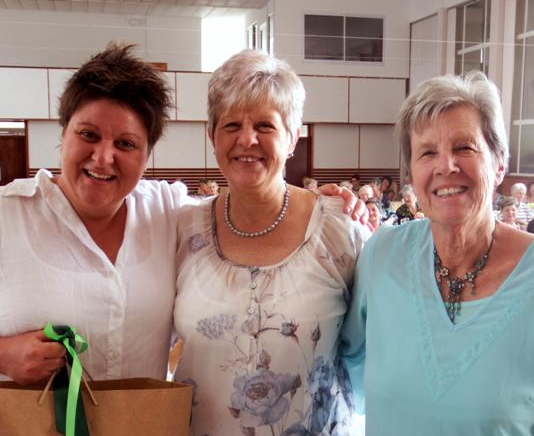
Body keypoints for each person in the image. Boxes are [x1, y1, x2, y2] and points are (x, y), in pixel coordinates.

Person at [0, 43, 363, 387]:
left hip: (147, 431)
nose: (104, 157)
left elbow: (252, 207)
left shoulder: (168, 211)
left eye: (126, 144)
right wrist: (3, 355)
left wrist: (331, 206)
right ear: (63, 133)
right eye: (88, 135)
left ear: (147, 155)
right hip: (31, 432)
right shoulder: (9, 215)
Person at [173, 49, 365, 436]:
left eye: (265, 124)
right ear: (211, 135)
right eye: (231, 125)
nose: (247, 139)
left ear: (294, 135)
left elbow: (371, 342)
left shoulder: (340, 232)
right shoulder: (181, 229)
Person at [340, 72, 534, 436]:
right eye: (427, 152)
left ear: (499, 163)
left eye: (465, 147)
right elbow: (348, 373)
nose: (446, 166)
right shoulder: (381, 258)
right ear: (411, 174)